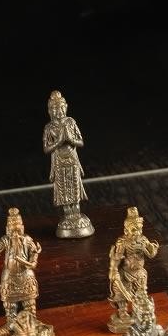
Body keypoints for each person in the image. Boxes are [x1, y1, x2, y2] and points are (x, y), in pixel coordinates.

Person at [43, 90, 94, 238]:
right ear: (50, 111)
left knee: (74, 184)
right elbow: (46, 148)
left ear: (65, 107)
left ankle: (76, 212)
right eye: (55, 109)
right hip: (59, 160)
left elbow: (80, 142)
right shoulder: (49, 127)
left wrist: (71, 139)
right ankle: (67, 213)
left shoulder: (71, 122)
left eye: (61, 108)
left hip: (72, 159)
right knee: (64, 187)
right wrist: (59, 142)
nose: (58, 112)